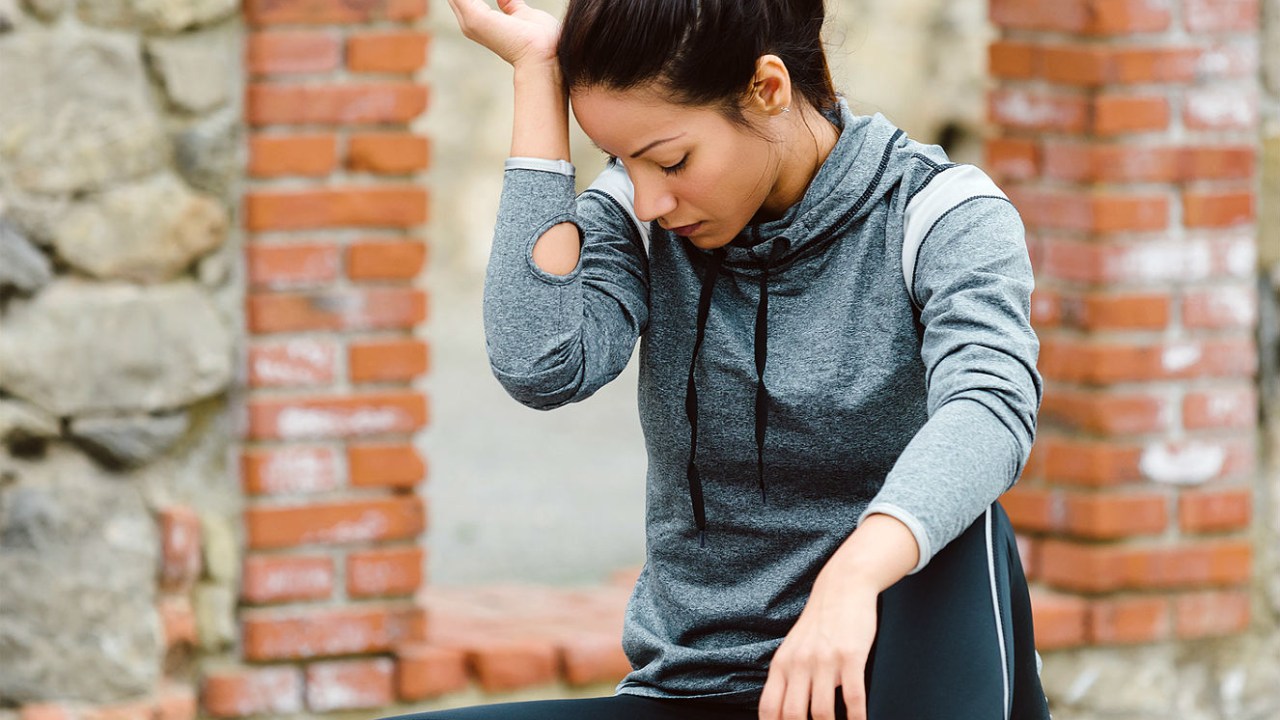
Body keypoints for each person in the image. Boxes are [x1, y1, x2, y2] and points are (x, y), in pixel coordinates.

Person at [393, 0, 1051, 718]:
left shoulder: (937, 214)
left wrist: (851, 578)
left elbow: (989, 404)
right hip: (695, 688)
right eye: (624, 161)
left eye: (672, 160)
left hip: (884, 676)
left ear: (767, 90)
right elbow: (541, 361)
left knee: (966, 527)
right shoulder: (647, 221)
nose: (649, 198)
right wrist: (537, 76)